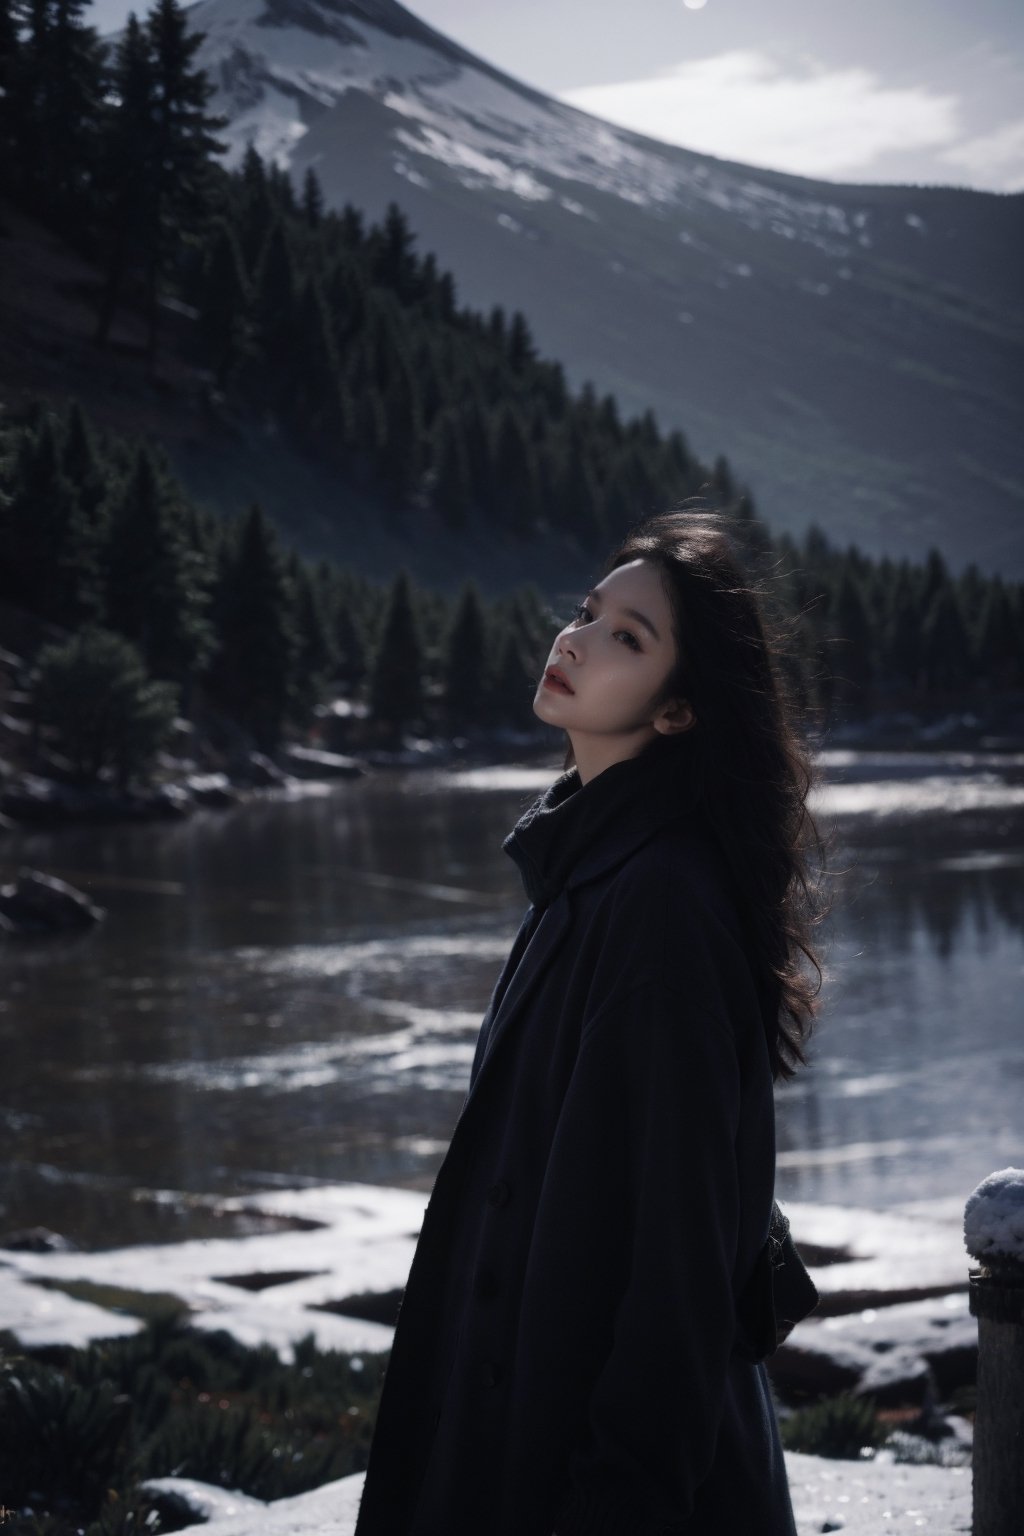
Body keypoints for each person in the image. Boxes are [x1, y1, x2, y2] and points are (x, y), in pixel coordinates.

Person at [353, 510, 825, 1536]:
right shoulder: (589, 864)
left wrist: (618, 1503)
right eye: (587, 612)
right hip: (530, 1439)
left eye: (629, 637)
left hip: (605, 1490)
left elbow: (681, 1261)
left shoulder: (659, 901)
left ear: (679, 713)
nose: (575, 640)